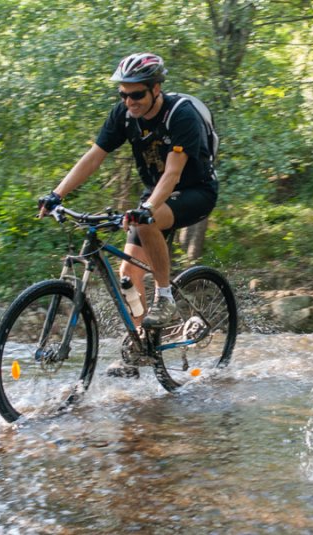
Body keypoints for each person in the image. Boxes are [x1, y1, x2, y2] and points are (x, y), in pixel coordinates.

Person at [38, 52, 218, 376]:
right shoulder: (123, 116)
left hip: (195, 191)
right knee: (127, 277)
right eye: (123, 94)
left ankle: (165, 297)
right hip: (156, 193)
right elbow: (94, 157)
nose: (128, 101)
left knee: (149, 218)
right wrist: (57, 194)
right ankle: (140, 345)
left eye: (136, 94)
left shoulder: (181, 115)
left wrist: (147, 209)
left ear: (156, 89)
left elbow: (173, 174)